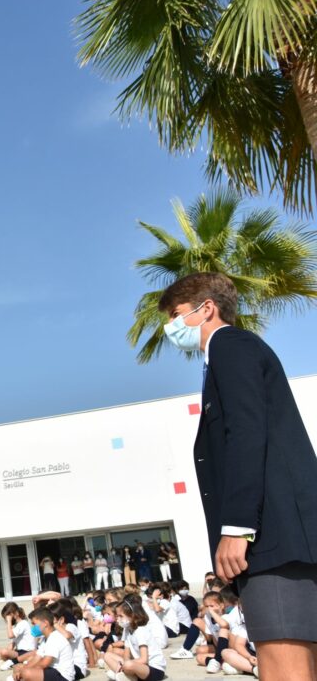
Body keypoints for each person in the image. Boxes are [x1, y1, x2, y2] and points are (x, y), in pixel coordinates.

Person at [160, 271, 317, 679]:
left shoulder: (229, 345)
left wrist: (238, 527)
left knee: (283, 665)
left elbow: (248, 433)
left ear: (206, 308)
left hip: (273, 541)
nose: (172, 327)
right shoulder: (230, 354)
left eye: (177, 315)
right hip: (277, 538)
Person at [103, 600, 165, 681]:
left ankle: (122, 674)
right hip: (139, 665)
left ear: (132, 616)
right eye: (117, 616)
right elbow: (126, 654)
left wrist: (124, 665)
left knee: (128, 664)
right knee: (107, 655)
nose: (117, 619)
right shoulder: (127, 629)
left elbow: (144, 659)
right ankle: (124, 675)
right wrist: (124, 664)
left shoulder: (140, 631)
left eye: (121, 616)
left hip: (154, 669)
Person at [11, 606, 76, 681]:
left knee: (27, 673)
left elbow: (45, 663)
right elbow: (37, 658)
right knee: (19, 667)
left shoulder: (55, 637)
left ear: (45, 623)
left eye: (34, 624)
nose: (33, 627)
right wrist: (22, 668)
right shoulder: (45, 638)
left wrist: (24, 671)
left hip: (63, 676)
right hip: (53, 671)